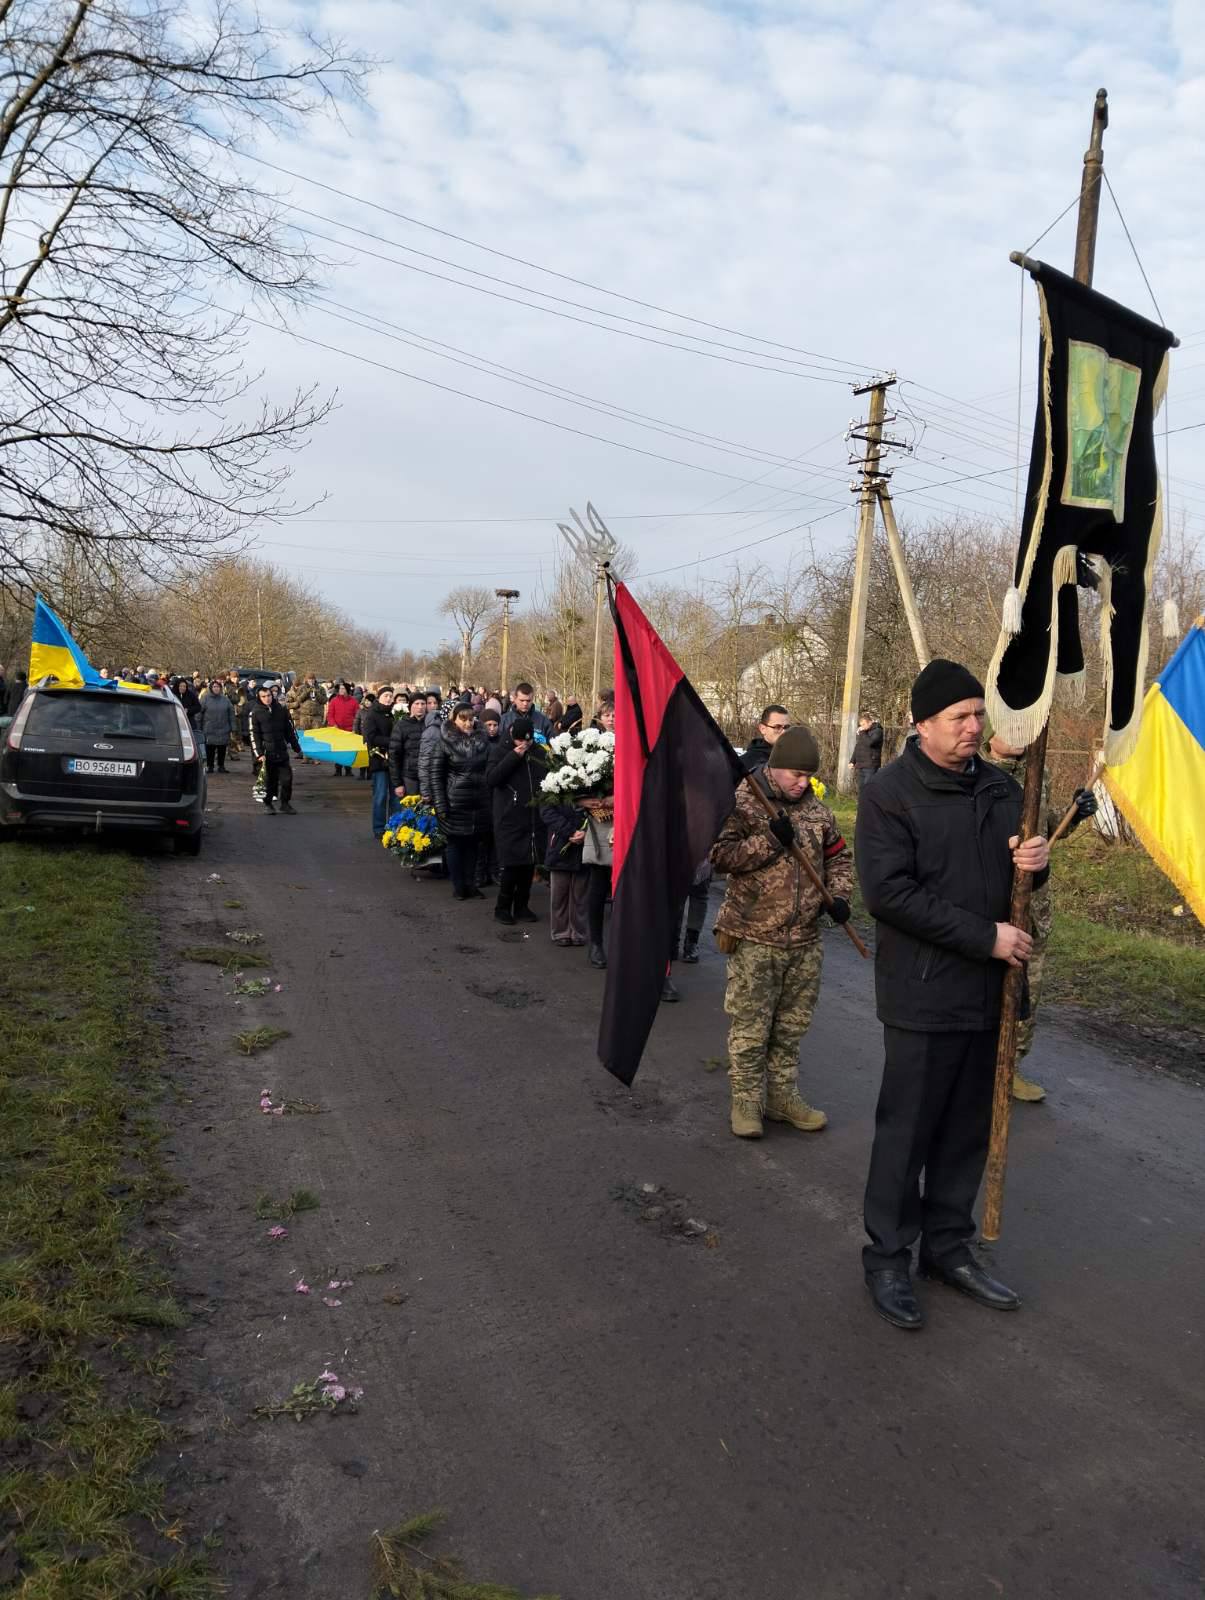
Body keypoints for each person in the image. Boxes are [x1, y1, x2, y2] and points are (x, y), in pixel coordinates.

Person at [854, 659, 1051, 1332]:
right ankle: (886, 1255)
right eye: (957, 718)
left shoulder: (1000, 791)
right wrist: (985, 938)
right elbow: (888, 895)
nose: (973, 728)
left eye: (976, 714)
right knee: (905, 1132)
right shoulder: (888, 794)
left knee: (967, 1132)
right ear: (921, 725)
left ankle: (947, 1247)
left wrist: (1035, 865)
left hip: (988, 994)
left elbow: (1015, 884)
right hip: (922, 992)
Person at [710, 725, 852, 1140]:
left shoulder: (817, 811)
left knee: (791, 1029)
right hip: (754, 936)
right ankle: (747, 1102)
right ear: (775, 768)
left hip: (804, 941)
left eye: (808, 776)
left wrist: (839, 897)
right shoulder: (745, 801)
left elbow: (839, 859)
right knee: (752, 1028)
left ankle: (782, 1097)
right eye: (795, 775)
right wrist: (769, 840)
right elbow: (720, 856)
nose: (802, 782)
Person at [986, 732, 1098, 1103]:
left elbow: (1049, 827)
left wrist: (1075, 813)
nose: (1018, 737)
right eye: (1009, 727)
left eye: (1024, 729)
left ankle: (1011, 1067)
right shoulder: (977, 771)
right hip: (992, 906)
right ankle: (978, 1067)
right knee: (985, 991)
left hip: (1036, 906)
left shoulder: (1039, 771)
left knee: (1028, 990)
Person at [486, 716, 548, 924]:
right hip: (509, 816)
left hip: (532, 817)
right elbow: (492, 779)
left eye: (528, 742)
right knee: (512, 865)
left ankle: (522, 906)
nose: (524, 745)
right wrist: (514, 757)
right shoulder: (500, 751)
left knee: (528, 864)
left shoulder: (539, 752)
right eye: (520, 741)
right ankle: (502, 907)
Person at [432, 703, 491, 899]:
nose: (467, 723)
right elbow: (436, 775)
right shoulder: (443, 742)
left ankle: (471, 884)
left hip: (479, 802)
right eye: (462, 719)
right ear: (454, 719)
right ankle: (458, 886)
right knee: (455, 844)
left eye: (470, 719)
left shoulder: (484, 741)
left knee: (474, 845)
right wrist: (440, 805)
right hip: (454, 802)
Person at [542, 796, 589, 946]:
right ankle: (560, 931)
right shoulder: (552, 782)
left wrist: (586, 832)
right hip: (560, 844)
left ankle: (579, 932)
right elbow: (546, 811)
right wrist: (570, 831)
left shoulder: (593, 783)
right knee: (559, 894)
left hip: (585, 845)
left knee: (580, 894)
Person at [249, 683, 300, 814]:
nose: (267, 698)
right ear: (259, 697)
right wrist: (259, 754)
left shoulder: (281, 710)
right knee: (269, 781)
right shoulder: (255, 713)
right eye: (264, 696)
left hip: (281, 751)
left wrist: (296, 746)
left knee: (287, 779)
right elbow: (254, 736)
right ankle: (268, 804)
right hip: (266, 753)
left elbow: (289, 730)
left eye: (269, 695)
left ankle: (285, 803)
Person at [360, 686, 395, 838]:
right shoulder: (372, 714)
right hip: (378, 759)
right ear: (379, 697)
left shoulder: (395, 713)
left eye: (391, 696)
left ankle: (395, 826)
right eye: (386, 695)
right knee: (380, 795)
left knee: (396, 797)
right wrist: (392, 741)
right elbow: (370, 737)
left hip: (394, 760)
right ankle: (379, 828)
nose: (389, 698)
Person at [388, 691, 428, 798]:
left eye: (423, 704)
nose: (420, 707)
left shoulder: (431, 725)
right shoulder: (401, 726)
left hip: (428, 776)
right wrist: (398, 783)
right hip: (410, 776)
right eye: (417, 704)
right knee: (411, 811)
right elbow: (394, 755)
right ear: (411, 706)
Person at [741, 705, 792, 772]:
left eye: (786, 727)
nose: (784, 732)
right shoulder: (746, 763)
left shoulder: (795, 758)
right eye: (777, 727)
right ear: (762, 729)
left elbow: (808, 780)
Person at [200, 678, 235, 773]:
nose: (216, 688)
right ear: (211, 688)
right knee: (210, 749)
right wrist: (198, 727)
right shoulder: (205, 699)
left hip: (223, 728)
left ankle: (221, 766)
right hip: (209, 728)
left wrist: (233, 727)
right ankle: (210, 766)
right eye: (214, 687)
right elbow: (199, 713)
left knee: (222, 748)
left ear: (220, 688)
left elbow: (231, 713)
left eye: (218, 687)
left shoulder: (225, 699)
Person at [851, 711, 884, 794]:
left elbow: (870, 743)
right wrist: (852, 761)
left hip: (871, 765)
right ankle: (861, 806)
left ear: (870, 722)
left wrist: (862, 732)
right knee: (861, 789)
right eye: (860, 725)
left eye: (863, 725)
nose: (861, 727)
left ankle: (872, 806)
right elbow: (858, 747)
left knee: (869, 789)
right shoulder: (864, 733)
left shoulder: (878, 731)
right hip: (861, 764)